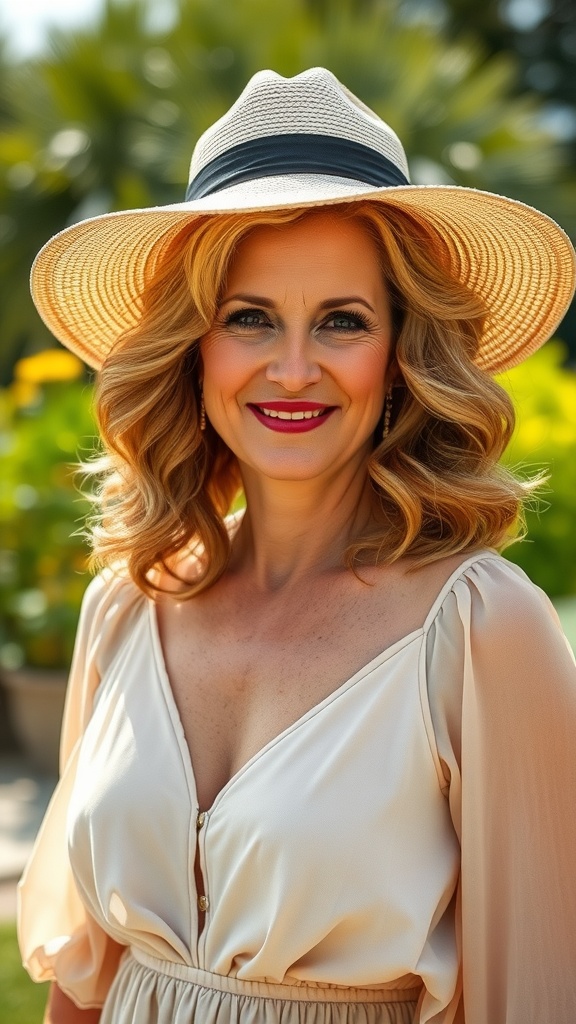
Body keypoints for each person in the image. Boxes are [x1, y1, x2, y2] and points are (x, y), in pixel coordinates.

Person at [17, 67, 576, 1024]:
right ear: (194, 348)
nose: (293, 368)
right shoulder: (128, 605)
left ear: (402, 351)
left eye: (343, 322)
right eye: (250, 318)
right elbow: (88, 973)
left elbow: (534, 991)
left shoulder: (482, 629)